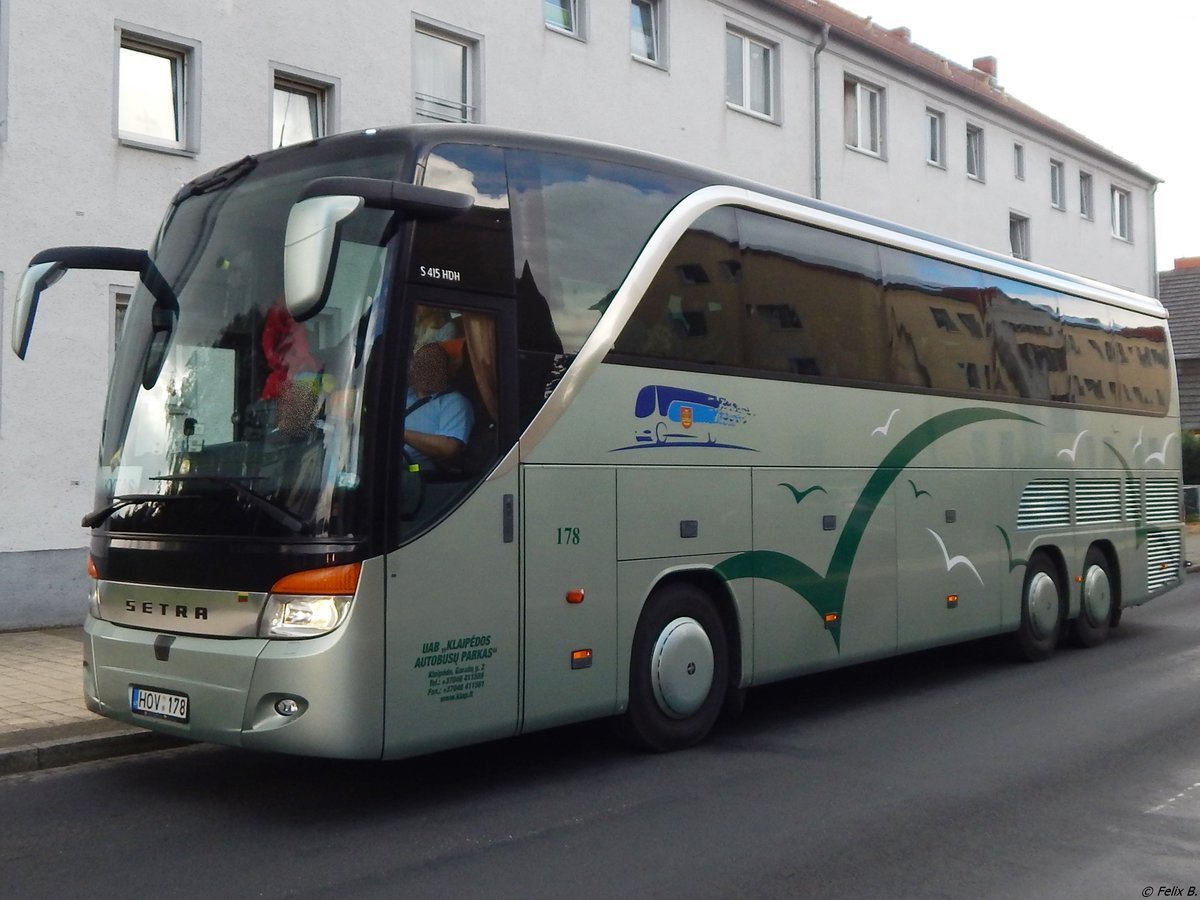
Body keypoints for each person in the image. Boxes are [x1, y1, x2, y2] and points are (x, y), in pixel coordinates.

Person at [404, 342, 474, 469]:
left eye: (434, 366)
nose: (426, 371)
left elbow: (449, 448)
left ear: (446, 371)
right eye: (421, 365)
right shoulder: (405, 394)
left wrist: (402, 434)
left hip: (416, 471)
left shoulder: (454, 402)